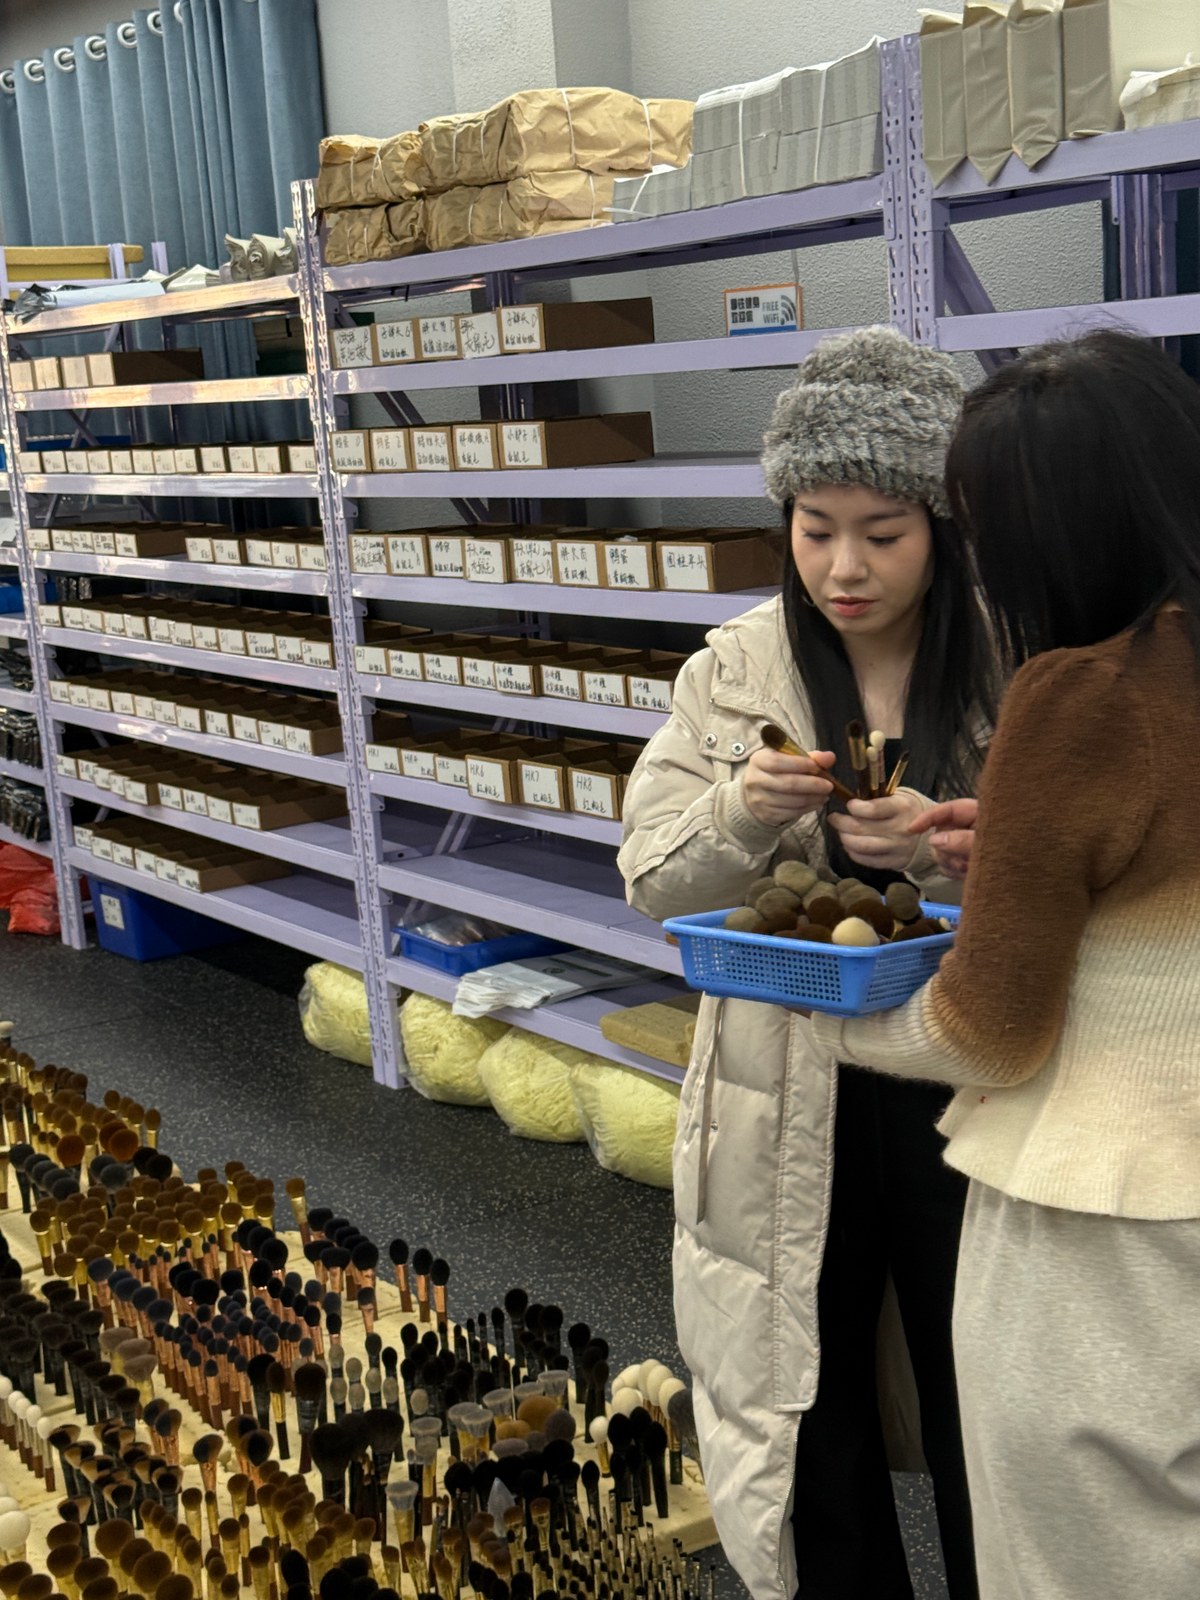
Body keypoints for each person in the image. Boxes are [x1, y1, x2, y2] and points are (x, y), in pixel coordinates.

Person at [806, 327, 1200, 1600]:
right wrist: (1027, 864)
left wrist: (814, 1007)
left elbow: (989, 1030)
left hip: (1110, 1213)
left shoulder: (1078, 693)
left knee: (1089, 1545)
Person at [618, 326, 996, 1600]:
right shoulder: (736, 670)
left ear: (943, 521)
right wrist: (744, 812)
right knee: (805, 1392)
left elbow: (1104, 885)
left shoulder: (1015, 658)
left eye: (883, 532)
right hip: (789, 1090)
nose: (843, 566)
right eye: (814, 524)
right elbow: (650, 877)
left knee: (986, 1398)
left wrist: (946, 850)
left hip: (971, 1082)